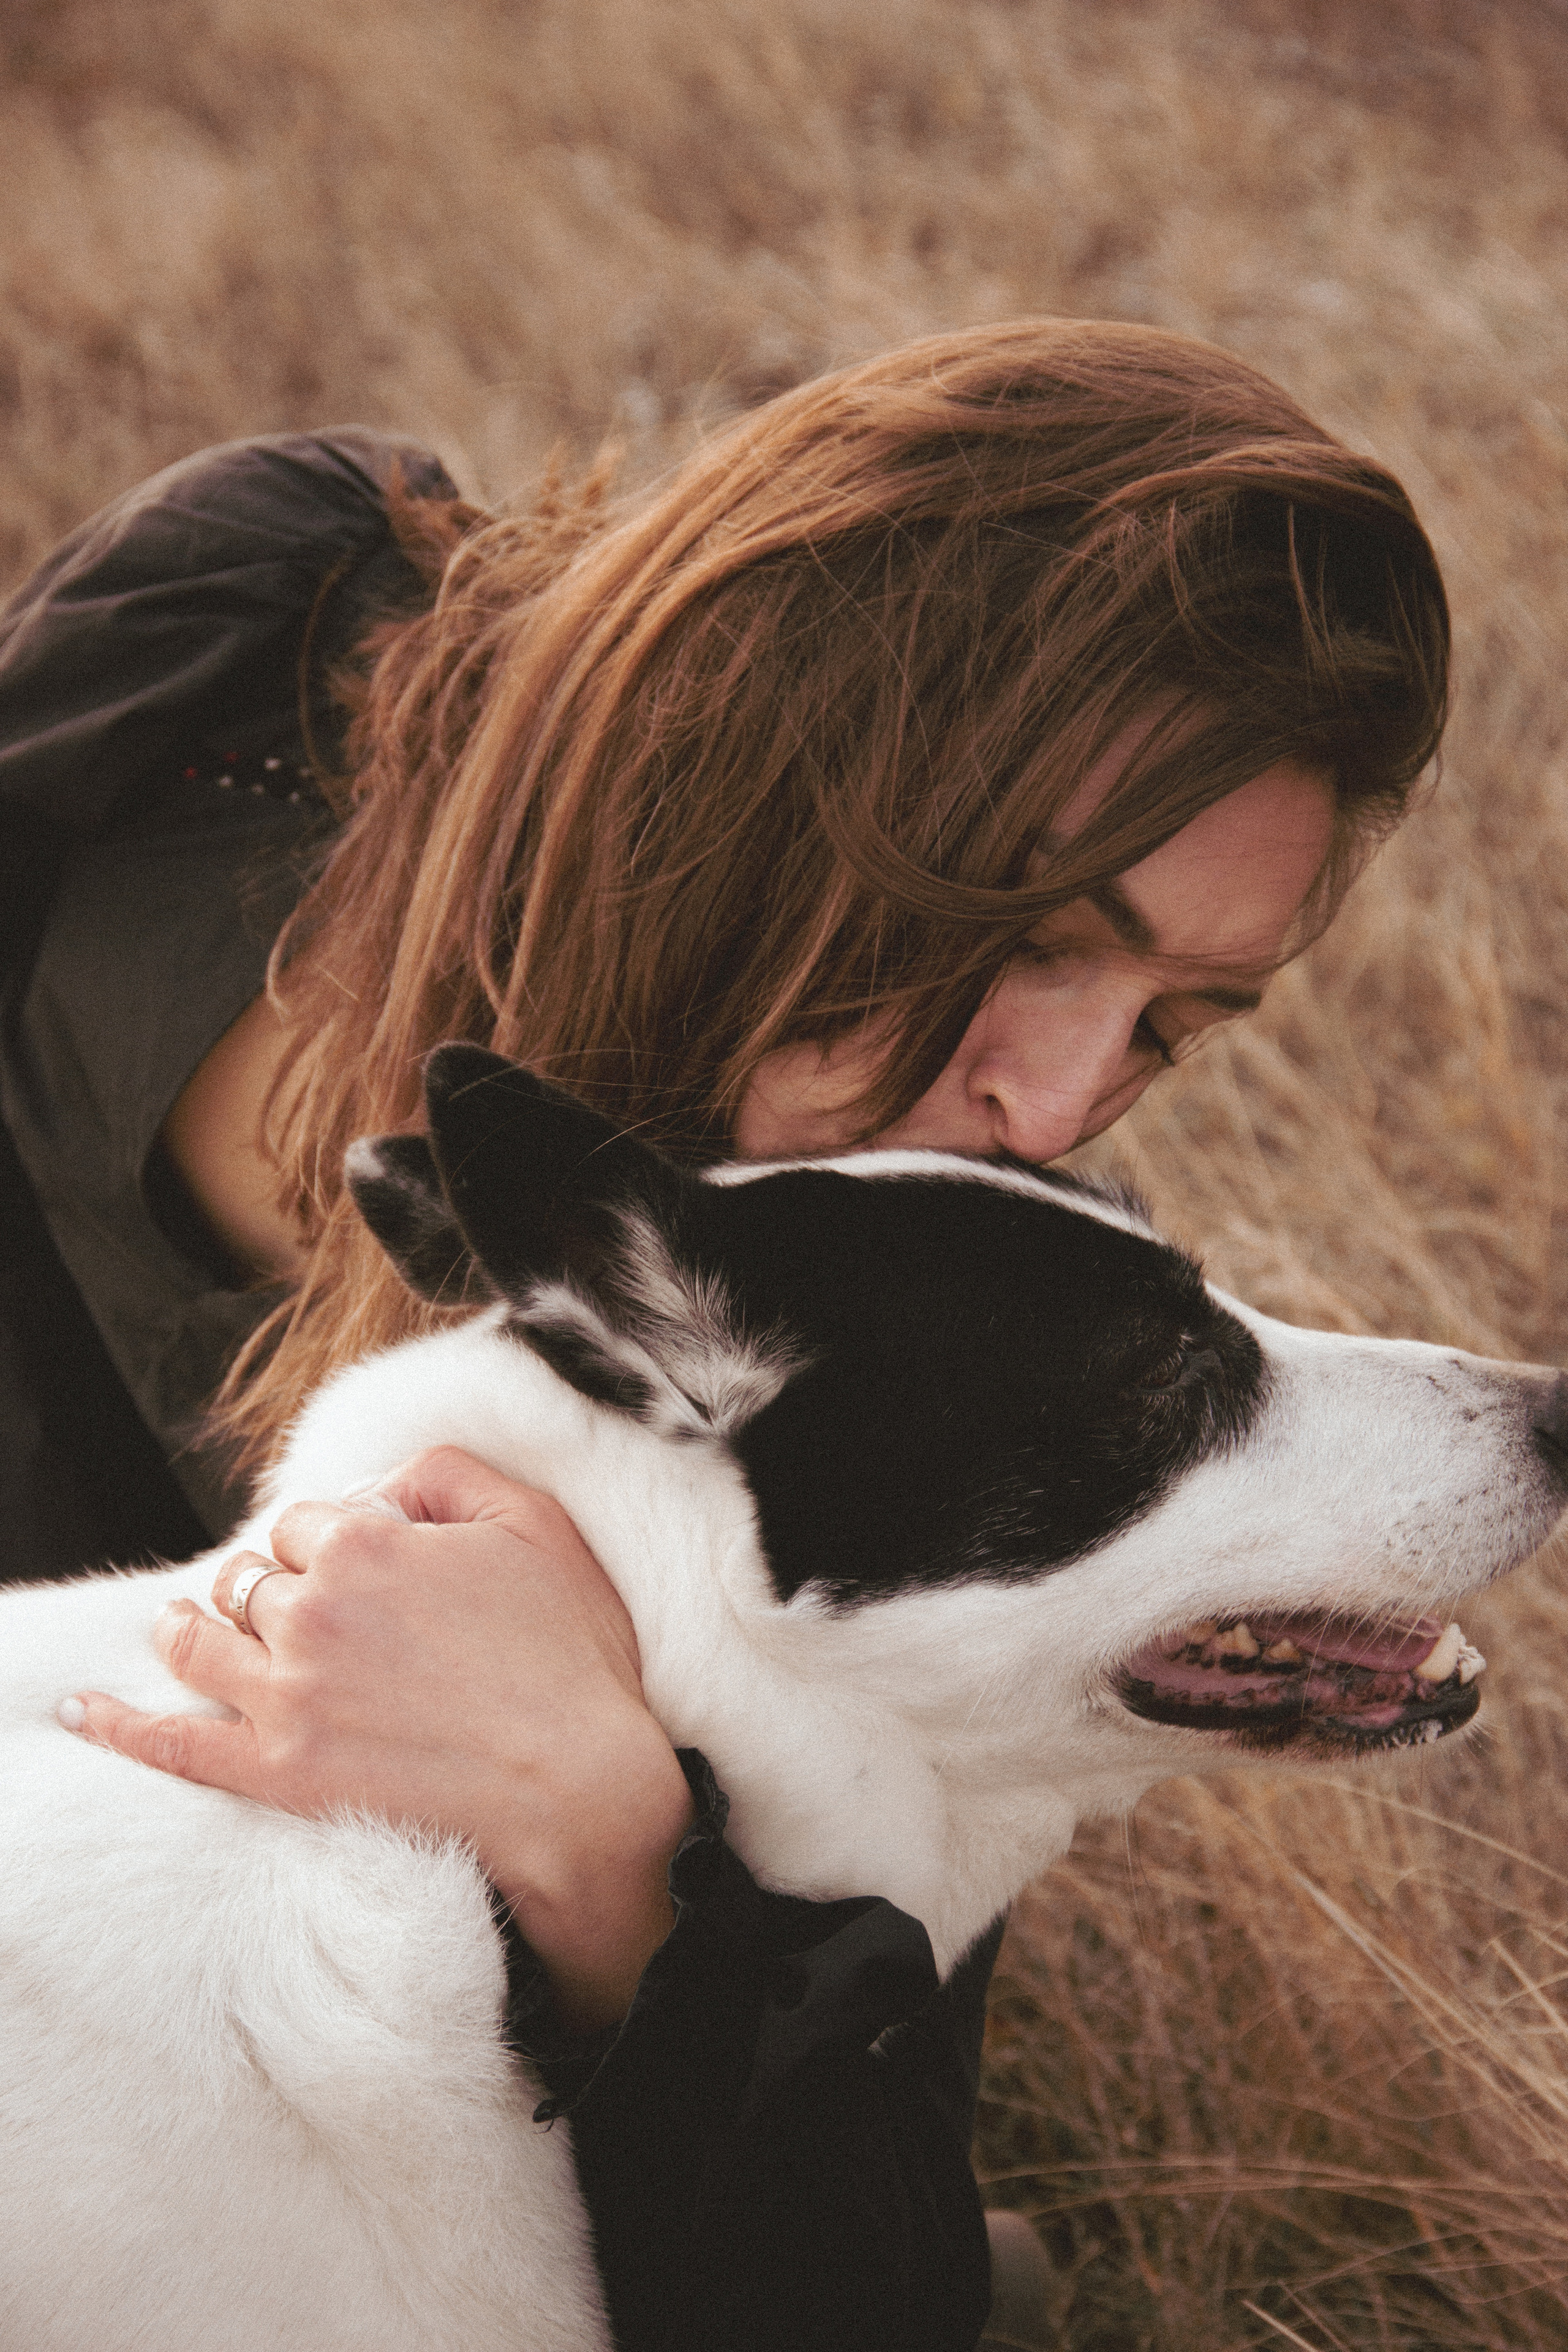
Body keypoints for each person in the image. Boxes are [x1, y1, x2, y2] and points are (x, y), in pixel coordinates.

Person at [0, 320, 1449, 2351]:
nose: (1051, 1108)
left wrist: (617, 1876)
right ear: (772, 769)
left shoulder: (845, 1411)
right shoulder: (253, 621)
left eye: (1171, 1028)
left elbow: (860, 2289)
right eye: (1028, 939)